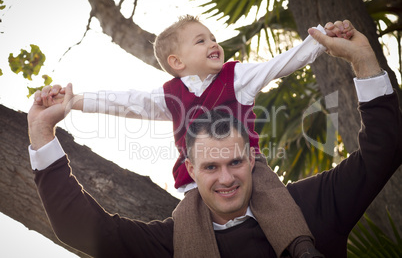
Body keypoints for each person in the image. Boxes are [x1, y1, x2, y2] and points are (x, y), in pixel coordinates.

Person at [29, 20, 402, 258]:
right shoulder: (169, 95)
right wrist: (74, 103)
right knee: (191, 216)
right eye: (200, 40)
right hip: (191, 194)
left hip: (266, 184)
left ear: (246, 160)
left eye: (234, 162)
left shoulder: (237, 77)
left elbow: (281, 64)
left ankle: (301, 246)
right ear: (176, 61)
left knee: (273, 198)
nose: (213, 43)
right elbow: (129, 103)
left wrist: (322, 41)